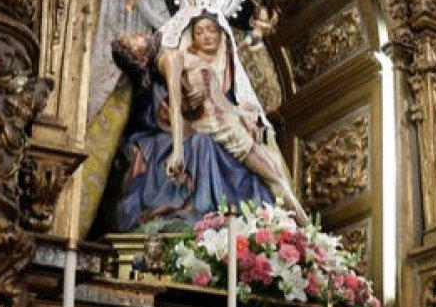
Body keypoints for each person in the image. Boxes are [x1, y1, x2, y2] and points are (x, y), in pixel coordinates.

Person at [107, 14, 307, 231]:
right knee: (273, 177)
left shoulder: (173, 54)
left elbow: (217, 98)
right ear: (139, 57)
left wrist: (240, 112)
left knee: (275, 167)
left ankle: (307, 232)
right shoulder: (169, 60)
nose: (138, 35)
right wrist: (177, 152)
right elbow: (175, 105)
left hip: (226, 120)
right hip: (220, 127)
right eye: (132, 42)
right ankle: (308, 231)